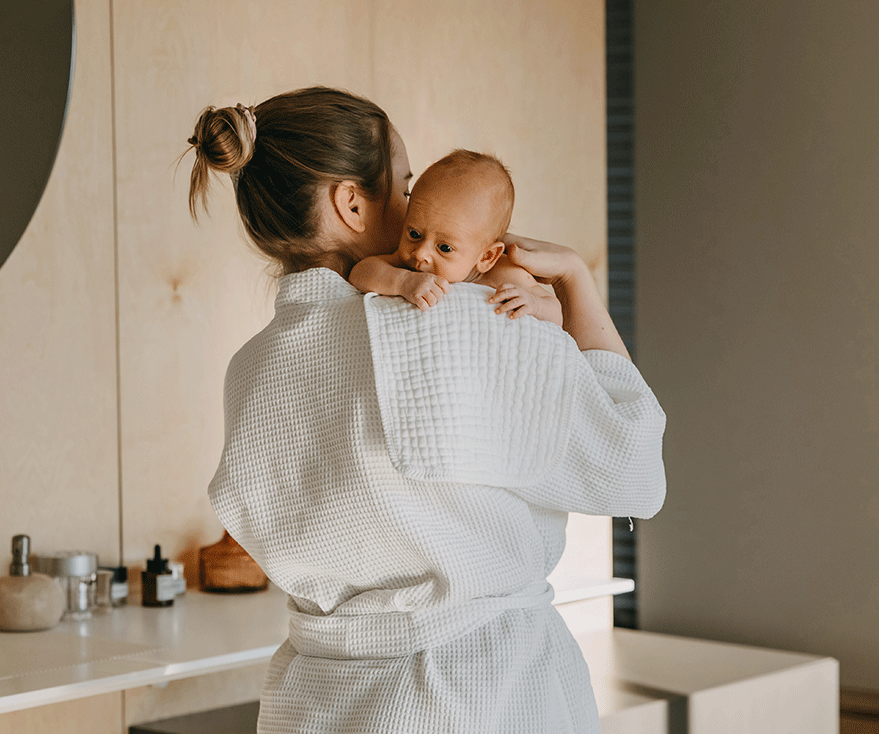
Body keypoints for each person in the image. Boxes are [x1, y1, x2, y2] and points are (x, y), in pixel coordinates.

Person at [186, 86, 665, 733]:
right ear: (352, 204)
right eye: (406, 186)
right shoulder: (470, 325)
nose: (417, 204)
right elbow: (633, 470)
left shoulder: (248, 372)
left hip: (314, 704)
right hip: (479, 698)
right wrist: (578, 282)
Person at [349, 149, 562, 325]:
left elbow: (556, 313)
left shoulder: (507, 275)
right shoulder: (408, 267)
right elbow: (360, 273)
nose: (421, 253)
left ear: (487, 257)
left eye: (444, 248)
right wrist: (402, 281)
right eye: (414, 234)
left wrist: (534, 304)